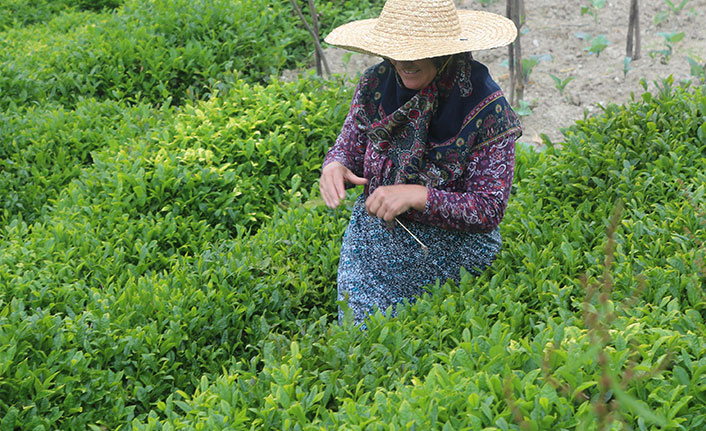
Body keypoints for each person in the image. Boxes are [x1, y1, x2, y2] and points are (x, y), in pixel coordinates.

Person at [319, 0, 522, 327]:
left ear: (445, 53)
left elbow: (489, 208)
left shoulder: (486, 108)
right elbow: (349, 145)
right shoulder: (376, 83)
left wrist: (418, 196)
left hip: (456, 247)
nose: (404, 62)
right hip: (375, 241)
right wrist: (336, 165)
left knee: (423, 334)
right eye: (396, 50)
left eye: (418, 51)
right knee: (361, 337)